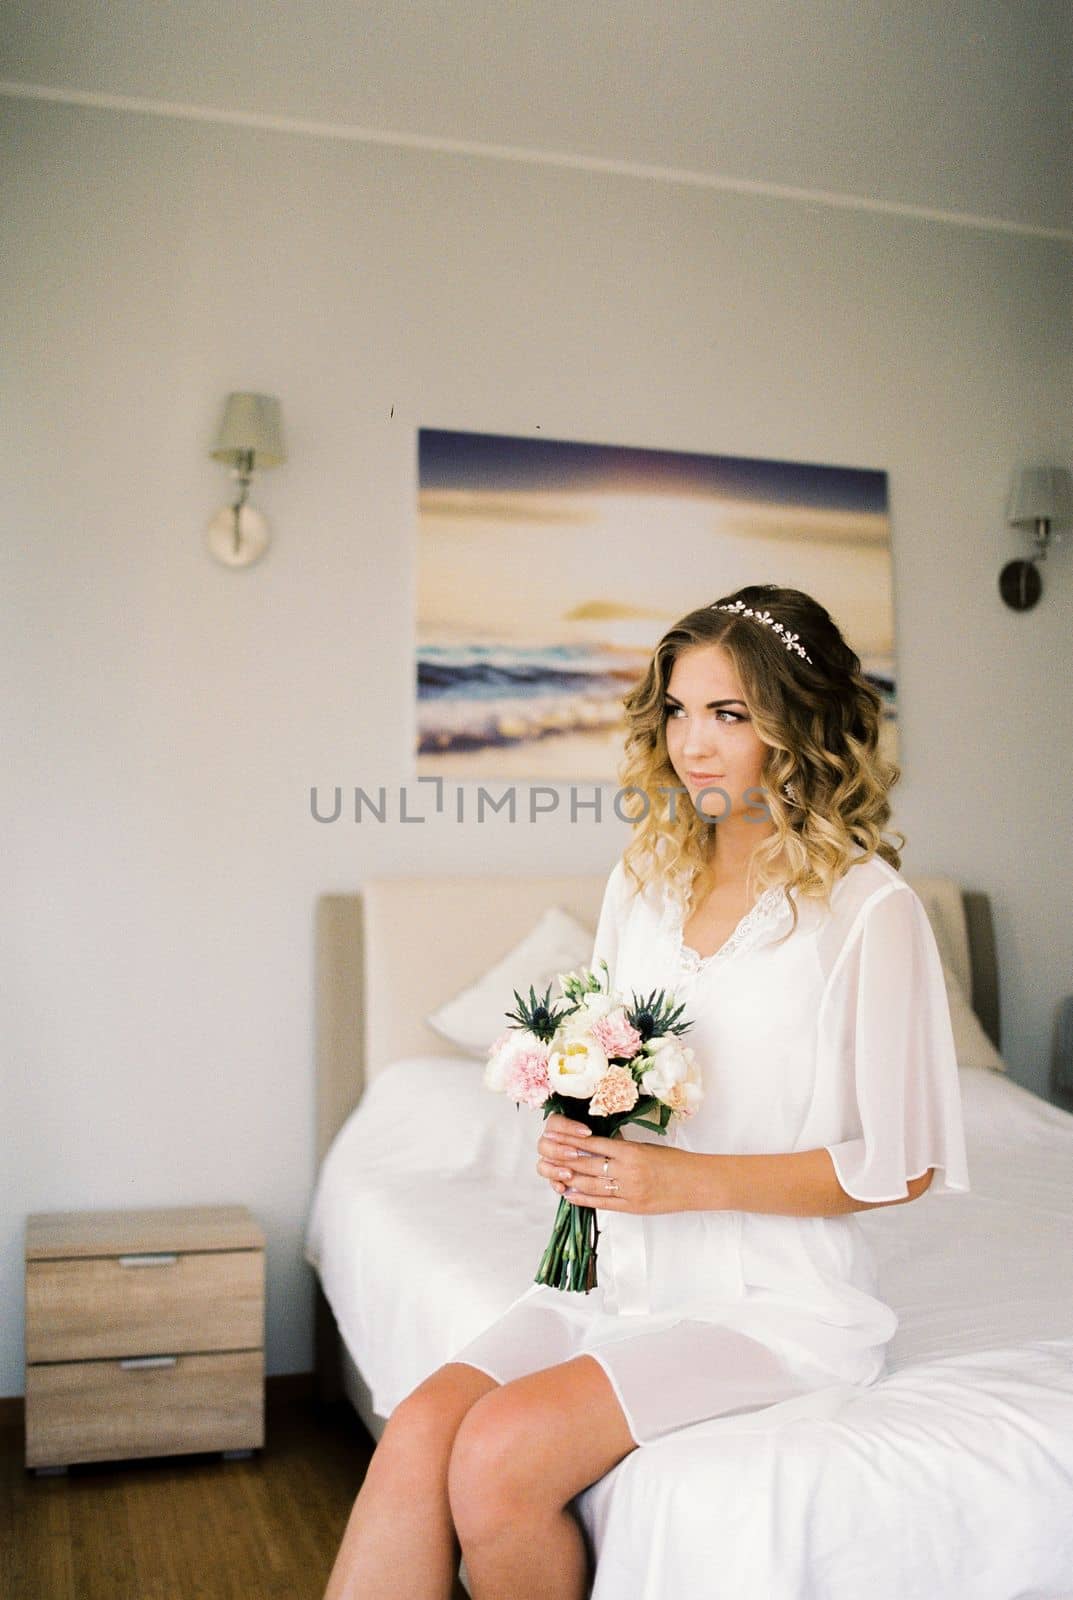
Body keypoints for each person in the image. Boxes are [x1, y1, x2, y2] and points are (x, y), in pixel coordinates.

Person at [322, 582, 971, 1600]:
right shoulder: (644, 876)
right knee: (418, 1428)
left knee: (497, 1454)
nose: (691, 743)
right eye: (675, 709)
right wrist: (576, 1129)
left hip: (770, 1303)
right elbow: (617, 1061)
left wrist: (682, 1182)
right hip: (610, 1275)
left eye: (728, 713)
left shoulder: (866, 910)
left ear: (797, 724)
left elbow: (901, 1164)